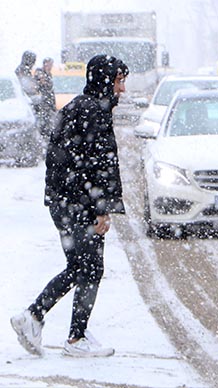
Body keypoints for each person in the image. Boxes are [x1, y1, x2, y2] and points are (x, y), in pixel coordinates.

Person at [10, 54, 129, 358]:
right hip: (79, 205)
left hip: (66, 203)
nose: (123, 89)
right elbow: (96, 167)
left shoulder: (78, 106)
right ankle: (71, 337)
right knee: (89, 267)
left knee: (80, 266)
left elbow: (62, 159)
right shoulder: (93, 112)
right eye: (119, 81)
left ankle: (37, 318)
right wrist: (100, 209)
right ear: (105, 80)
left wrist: (63, 199)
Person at [34, 57, 57, 138]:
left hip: (49, 101)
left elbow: (50, 89)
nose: (51, 66)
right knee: (43, 119)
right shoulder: (39, 72)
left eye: (52, 65)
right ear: (45, 64)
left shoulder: (49, 74)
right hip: (42, 101)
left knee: (49, 120)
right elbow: (41, 84)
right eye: (50, 64)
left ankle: (47, 133)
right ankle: (43, 133)